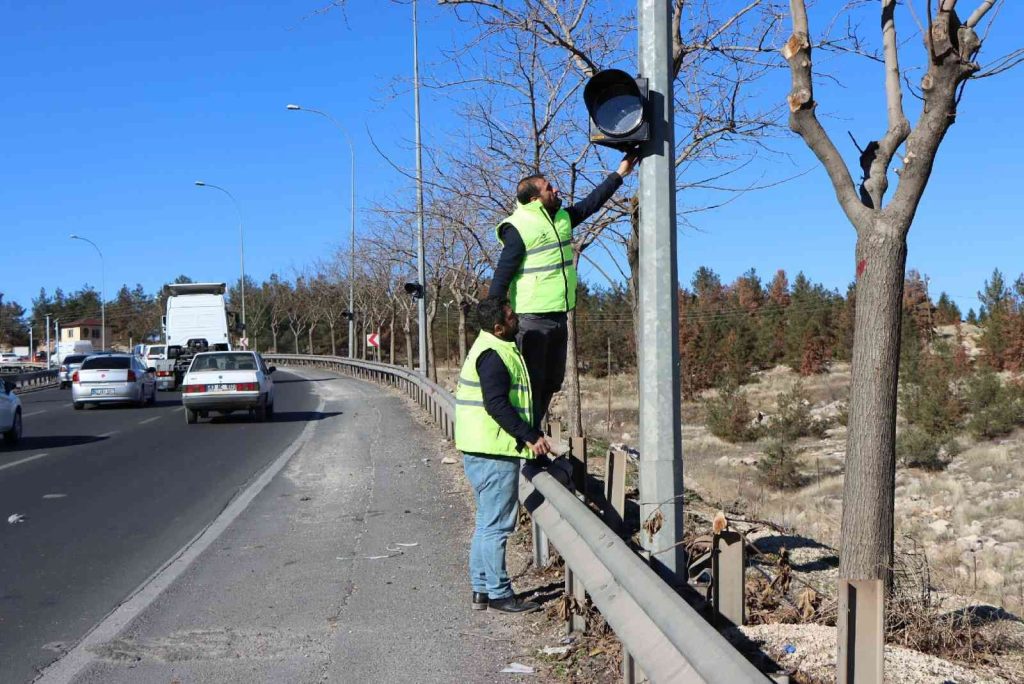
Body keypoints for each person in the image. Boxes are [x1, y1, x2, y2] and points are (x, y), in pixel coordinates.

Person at [488, 154, 638, 428]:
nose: (555, 189)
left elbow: (591, 204)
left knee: (551, 382)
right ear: (535, 199)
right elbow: (502, 275)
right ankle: (525, 439)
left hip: (559, 315)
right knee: (531, 385)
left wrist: (619, 174)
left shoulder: (560, 218)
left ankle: (533, 434)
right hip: (532, 319)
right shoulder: (518, 227)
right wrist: (492, 319)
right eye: (548, 188)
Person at [455, 296, 554, 614]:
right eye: (511, 317)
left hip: (481, 448)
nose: (517, 319)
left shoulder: (491, 345)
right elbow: (496, 404)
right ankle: (499, 593)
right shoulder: (494, 355)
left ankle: (481, 589)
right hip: (492, 451)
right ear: (498, 327)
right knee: (497, 526)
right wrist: (530, 436)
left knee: (486, 522)